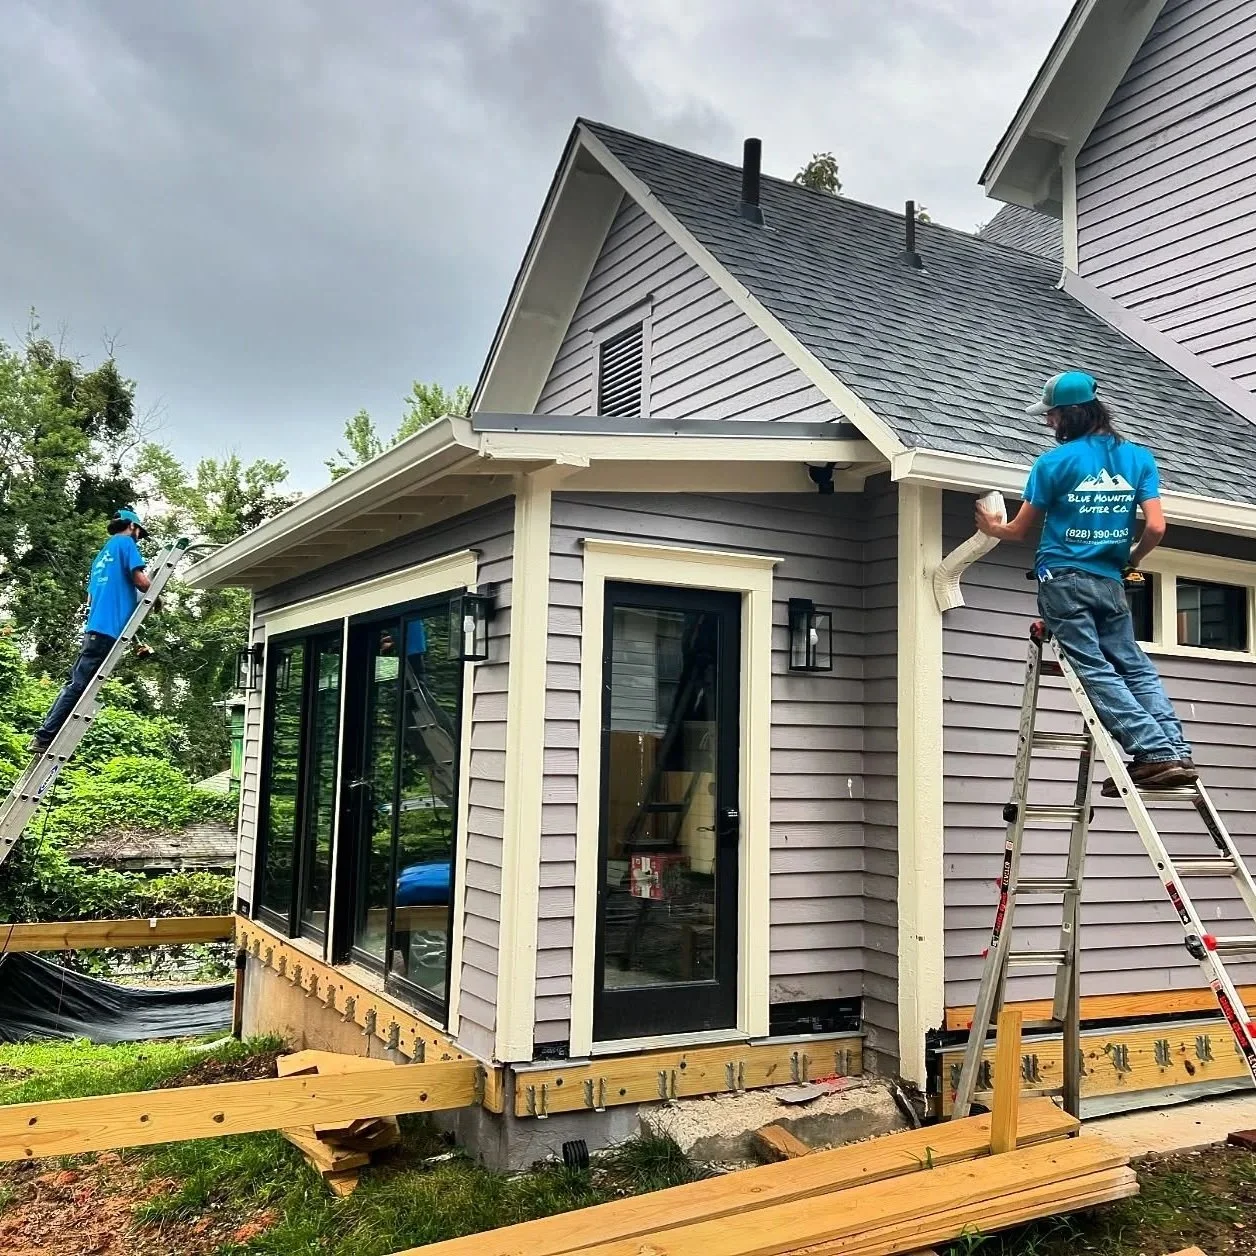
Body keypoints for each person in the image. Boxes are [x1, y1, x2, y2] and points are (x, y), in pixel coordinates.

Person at [975, 370, 1195, 796]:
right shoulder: (1138, 458)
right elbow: (1155, 527)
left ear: (1071, 414)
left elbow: (1018, 531)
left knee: (1093, 668)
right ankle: (1177, 752)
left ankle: (1154, 753)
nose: (1048, 422)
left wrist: (991, 527)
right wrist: (1131, 560)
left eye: (1052, 414)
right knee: (1133, 666)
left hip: (1064, 580)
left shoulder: (1053, 463)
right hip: (1110, 582)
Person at [30, 508, 152, 755]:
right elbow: (141, 581)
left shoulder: (101, 557)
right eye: (139, 531)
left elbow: (91, 597)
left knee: (74, 684)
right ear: (131, 526)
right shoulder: (126, 543)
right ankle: (44, 737)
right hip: (108, 630)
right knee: (78, 687)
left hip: (95, 628)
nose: (139, 537)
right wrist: (156, 597)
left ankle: (45, 736)